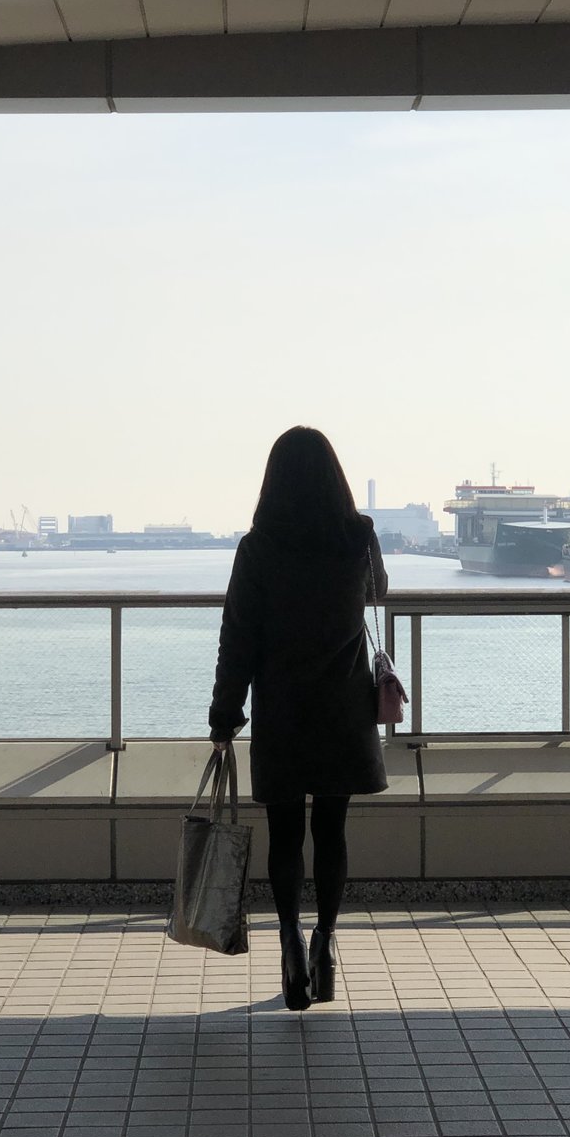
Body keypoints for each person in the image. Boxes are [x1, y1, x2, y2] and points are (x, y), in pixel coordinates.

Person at [208, 427, 388, 1010]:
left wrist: (224, 714)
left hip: (282, 709)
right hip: (343, 708)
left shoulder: (257, 548)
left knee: (286, 836)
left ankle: (288, 944)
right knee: (332, 831)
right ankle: (326, 944)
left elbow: (237, 637)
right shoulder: (357, 537)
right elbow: (377, 592)